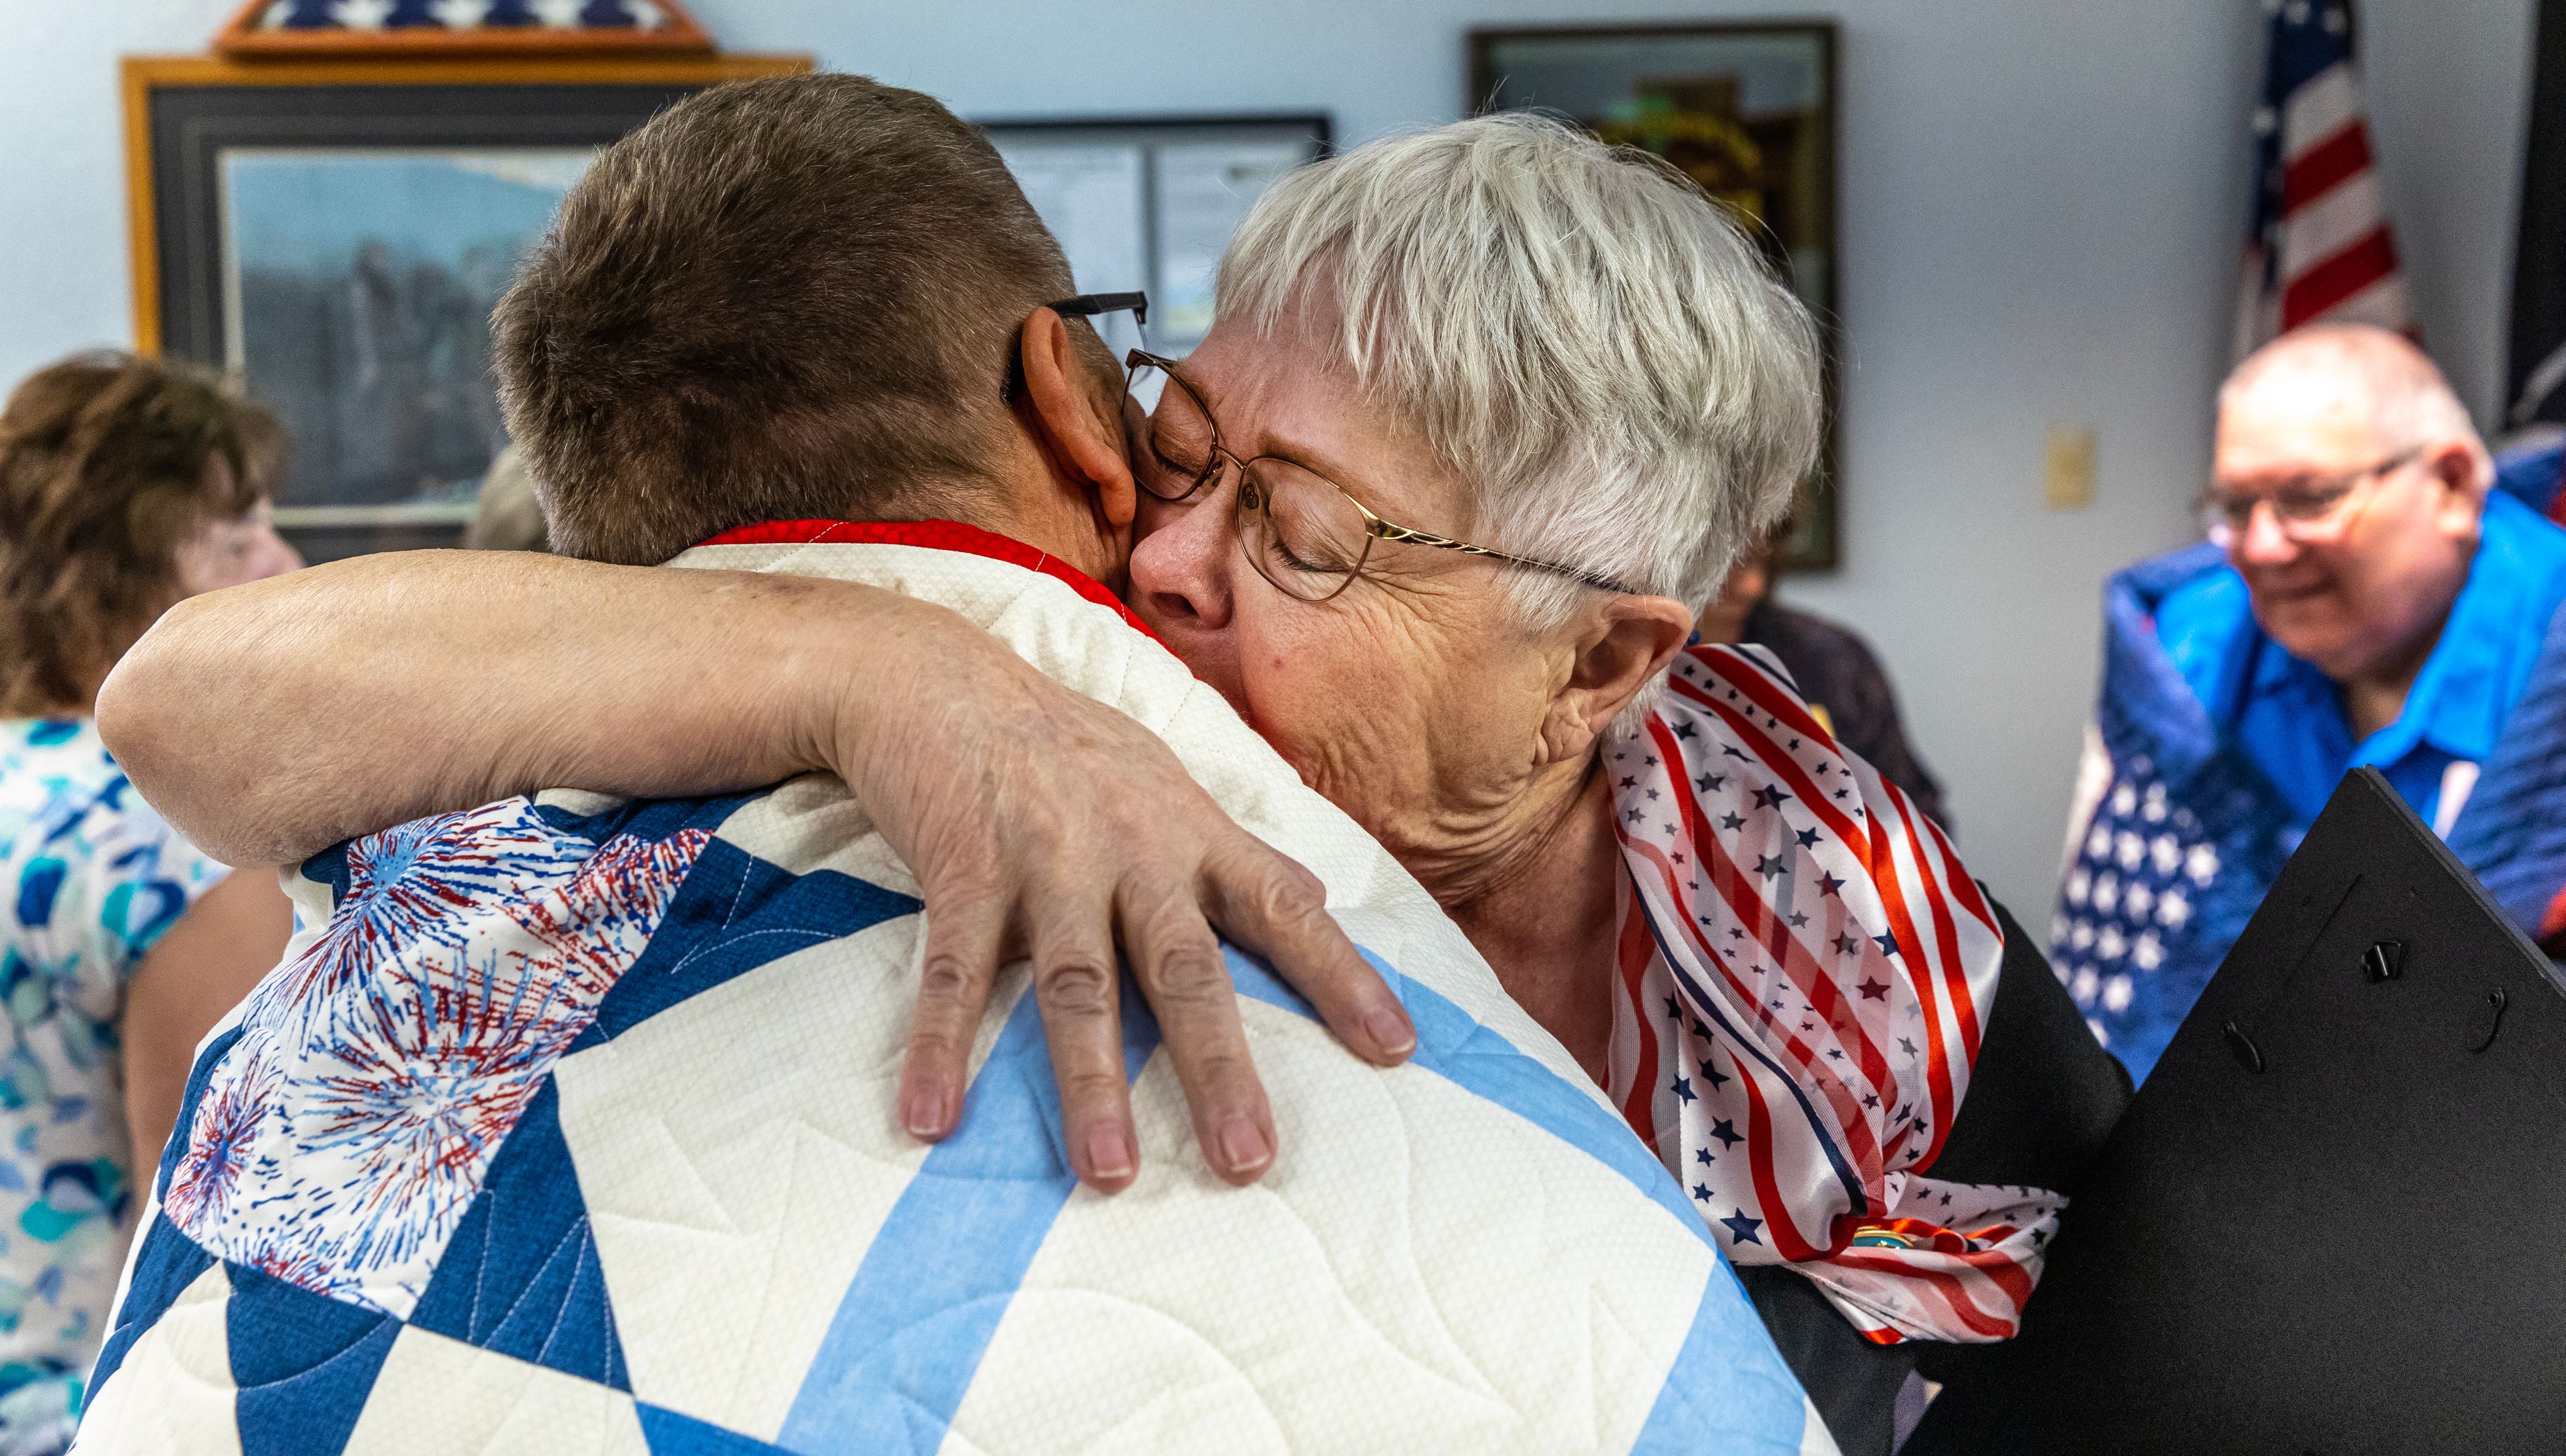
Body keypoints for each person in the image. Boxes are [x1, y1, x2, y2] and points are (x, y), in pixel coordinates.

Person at [101, 107, 2116, 1455]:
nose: (1156, 551)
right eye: (1181, 438)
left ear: (1593, 660)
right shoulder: (1041, 691)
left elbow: (2113, 1302)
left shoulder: (1847, 924)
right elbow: (197, 690)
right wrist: (873, 661)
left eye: (1302, 531)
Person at [2060, 322, 2566, 1078]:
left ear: (2454, 485)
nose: (2261, 547)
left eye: (2311, 498)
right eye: (2235, 508)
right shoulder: (2187, 651)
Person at [0, 353, 297, 1453]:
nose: (283, 563)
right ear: (112, 576)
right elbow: (205, 1244)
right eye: (237, 540)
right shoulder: (178, 846)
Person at [1694, 528, 1951, 831]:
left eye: (1762, 559)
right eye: (1729, 562)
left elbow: (1915, 813)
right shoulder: (1631, 665)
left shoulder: (1830, 659)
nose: (1753, 586)